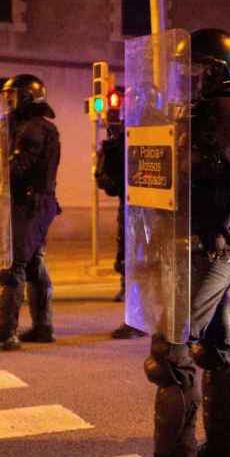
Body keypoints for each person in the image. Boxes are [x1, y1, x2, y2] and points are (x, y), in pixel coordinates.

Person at [129, 28, 230, 457]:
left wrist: (161, 138)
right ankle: (226, 451)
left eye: (192, 70)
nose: (183, 80)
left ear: (215, 70)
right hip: (193, 240)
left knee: (171, 353)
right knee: (215, 345)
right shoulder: (201, 112)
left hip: (214, 242)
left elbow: (200, 167)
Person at [0, 74, 61, 352]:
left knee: (12, 267)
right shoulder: (28, 126)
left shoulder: (34, 128)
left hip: (29, 203)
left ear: (27, 97)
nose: (8, 102)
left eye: (13, 96)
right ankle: (43, 327)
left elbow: (18, 168)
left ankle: (5, 334)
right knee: (33, 265)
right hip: (35, 203)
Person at [95, 112, 147, 339]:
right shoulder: (126, 132)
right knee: (126, 249)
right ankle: (129, 293)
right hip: (129, 202)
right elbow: (112, 181)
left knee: (143, 256)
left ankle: (141, 315)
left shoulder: (157, 127)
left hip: (150, 206)